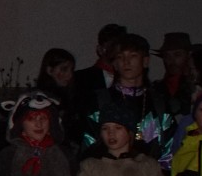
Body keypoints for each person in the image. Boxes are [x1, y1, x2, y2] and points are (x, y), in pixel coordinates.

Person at [75, 34, 181, 162]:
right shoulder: (99, 102)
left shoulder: (158, 103)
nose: (126, 62)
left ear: (145, 61)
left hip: (150, 172)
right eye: (120, 57)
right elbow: (89, 148)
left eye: (133, 56)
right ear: (115, 64)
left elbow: (170, 149)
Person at [156, 32, 196, 103]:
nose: (171, 60)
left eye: (177, 55)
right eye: (167, 56)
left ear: (189, 55)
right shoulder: (156, 89)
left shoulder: (198, 87)